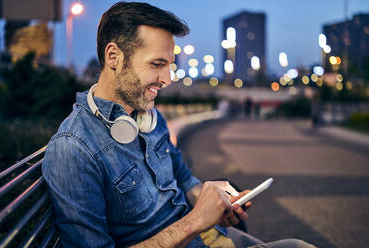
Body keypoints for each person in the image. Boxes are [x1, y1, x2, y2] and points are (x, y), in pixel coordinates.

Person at [42, 2, 316, 247]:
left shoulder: (149, 119)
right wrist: (194, 222)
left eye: (170, 65)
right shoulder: (73, 150)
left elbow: (184, 180)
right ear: (114, 57)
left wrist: (216, 201)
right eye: (157, 64)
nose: (168, 78)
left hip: (210, 237)